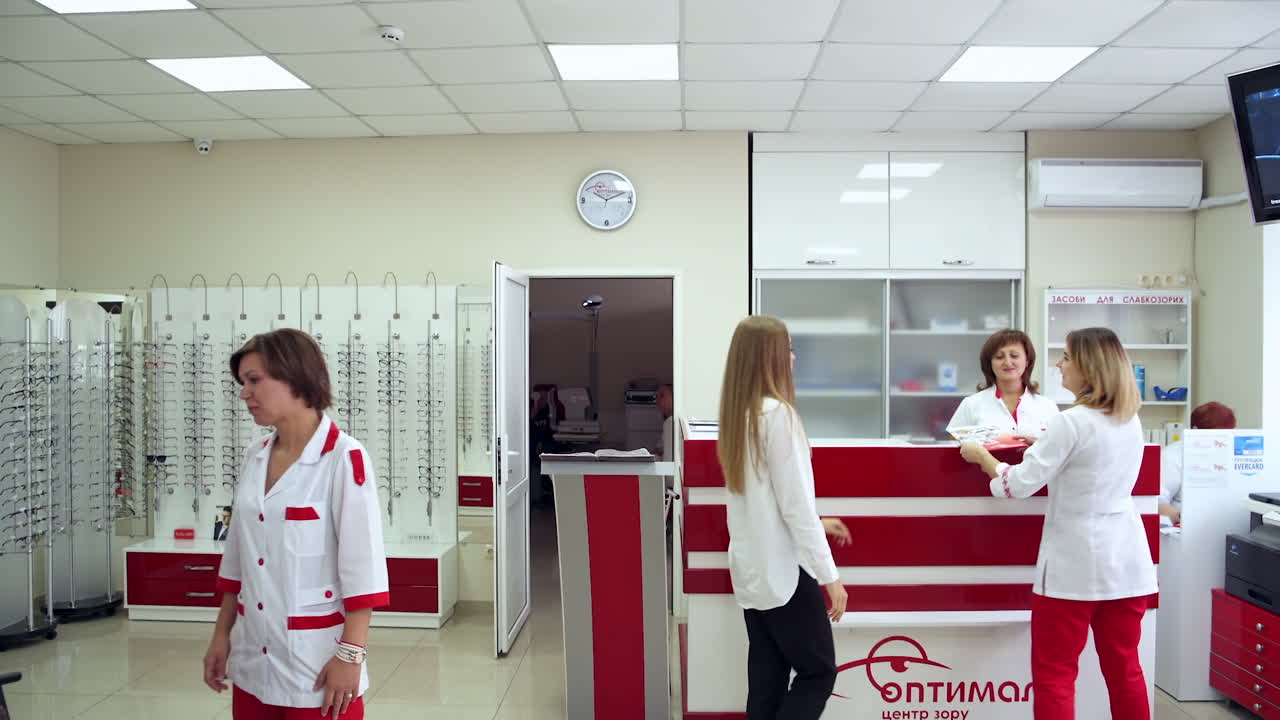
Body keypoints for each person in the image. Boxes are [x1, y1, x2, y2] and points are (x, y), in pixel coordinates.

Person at [959, 327, 1156, 720]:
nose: (1060, 365)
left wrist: (982, 458)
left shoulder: (1072, 423)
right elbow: (1088, 463)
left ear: (1087, 366)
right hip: (1127, 563)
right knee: (1125, 670)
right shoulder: (1129, 420)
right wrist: (1045, 451)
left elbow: (1017, 484)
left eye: (1066, 357)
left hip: (1073, 566)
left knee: (1055, 674)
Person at [203, 329, 388, 720]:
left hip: (317, 664)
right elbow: (237, 558)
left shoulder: (344, 457)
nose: (244, 394)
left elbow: (363, 570)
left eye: (255, 380)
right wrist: (222, 636)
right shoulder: (255, 456)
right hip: (253, 654)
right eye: (242, 382)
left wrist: (350, 656)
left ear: (296, 377)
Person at [718, 316, 852, 720]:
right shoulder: (778, 416)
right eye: (788, 348)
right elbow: (793, 507)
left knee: (768, 679)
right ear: (770, 357)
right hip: (784, 575)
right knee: (818, 673)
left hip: (753, 572)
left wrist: (817, 520)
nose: (793, 357)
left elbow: (765, 498)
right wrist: (831, 577)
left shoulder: (739, 414)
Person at [947, 329, 1059, 443]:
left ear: (1027, 361)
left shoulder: (1047, 406)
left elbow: (1059, 450)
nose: (1007, 362)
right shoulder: (971, 404)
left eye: (1014, 356)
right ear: (990, 364)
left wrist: (1039, 445)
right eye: (999, 357)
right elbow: (952, 447)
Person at [1160, 401, 1237, 525]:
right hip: (1186, 526)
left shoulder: (1234, 453)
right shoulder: (1172, 456)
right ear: (1195, 431)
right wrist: (1179, 516)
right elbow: (1158, 501)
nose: (1221, 442)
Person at [656, 383, 675, 461]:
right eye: (656, 397)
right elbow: (659, 450)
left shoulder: (671, 422)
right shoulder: (668, 422)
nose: (658, 400)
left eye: (662, 396)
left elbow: (668, 460)